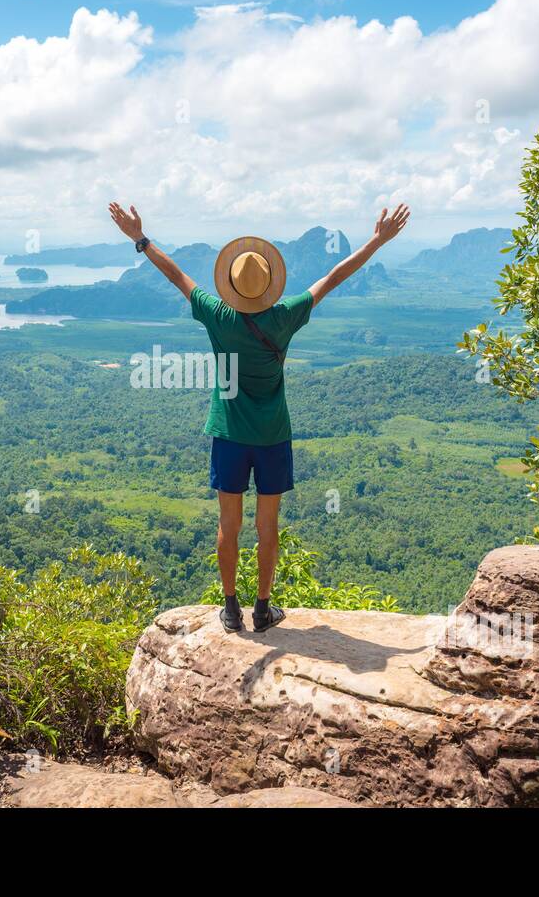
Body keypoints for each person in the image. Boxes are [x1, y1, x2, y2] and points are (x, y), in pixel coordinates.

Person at [108, 201, 410, 632]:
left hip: (228, 433)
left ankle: (230, 610)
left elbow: (175, 275)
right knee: (268, 526)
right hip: (272, 436)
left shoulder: (218, 315)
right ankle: (262, 608)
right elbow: (333, 278)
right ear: (268, 283)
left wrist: (139, 238)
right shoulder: (285, 317)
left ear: (230, 283)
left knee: (227, 524)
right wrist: (377, 242)